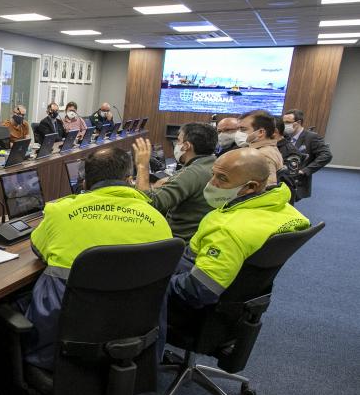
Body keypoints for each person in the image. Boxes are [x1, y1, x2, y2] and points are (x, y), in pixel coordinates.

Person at [0, 147, 172, 395]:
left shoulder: (61, 212)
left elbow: (39, 249)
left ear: (83, 182)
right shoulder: (157, 218)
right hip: (133, 343)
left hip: (66, 347)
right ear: (129, 180)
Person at [168, 147, 309, 314]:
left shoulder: (226, 229)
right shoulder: (286, 210)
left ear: (250, 187)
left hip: (193, 306)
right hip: (236, 304)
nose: (211, 183)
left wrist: (156, 285)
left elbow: (198, 291)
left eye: (222, 178)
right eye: (212, 174)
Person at [132, 122, 217, 241]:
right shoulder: (215, 164)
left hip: (178, 242)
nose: (176, 144)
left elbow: (148, 203)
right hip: (199, 235)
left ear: (186, 146)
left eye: (178, 141)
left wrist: (142, 165)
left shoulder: (190, 173)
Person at [283, 109, 332, 176]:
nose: (285, 125)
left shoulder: (311, 137)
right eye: (283, 122)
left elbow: (326, 155)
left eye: (288, 122)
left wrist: (305, 170)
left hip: (299, 180)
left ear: (299, 122)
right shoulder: (284, 137)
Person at [238, 110, 281, 185]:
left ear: (260, 132)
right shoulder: (263, 149)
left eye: (243, 129)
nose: (238, 133)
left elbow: (267, 189)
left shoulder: (263, 155)